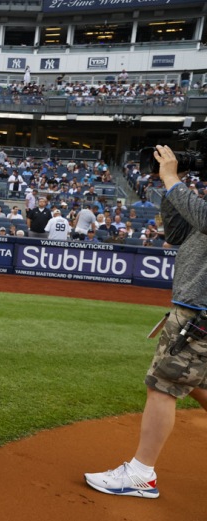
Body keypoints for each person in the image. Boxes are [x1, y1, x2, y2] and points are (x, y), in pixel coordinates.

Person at [85, 145, 207, 499]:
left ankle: (141, 474)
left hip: (198, 311)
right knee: (197, 381)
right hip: (197, 307)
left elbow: (203, 219)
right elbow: (176, 232)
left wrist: (171, 178)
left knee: (163, 384)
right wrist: (173, 182)